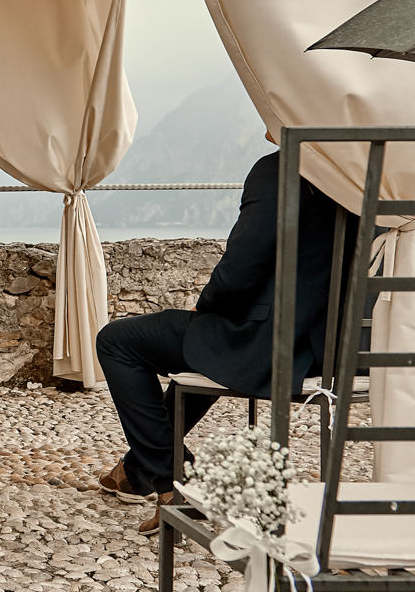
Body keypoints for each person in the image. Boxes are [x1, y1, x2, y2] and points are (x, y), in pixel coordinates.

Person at [95, 139, 351, 535]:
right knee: (205, 347)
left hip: (266, 342)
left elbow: (243, 262)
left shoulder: (285, 168)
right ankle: (136, 469)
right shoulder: (364, 173)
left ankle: (174, 481)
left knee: (117, 340)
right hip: (334, 348)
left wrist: (209, 305)